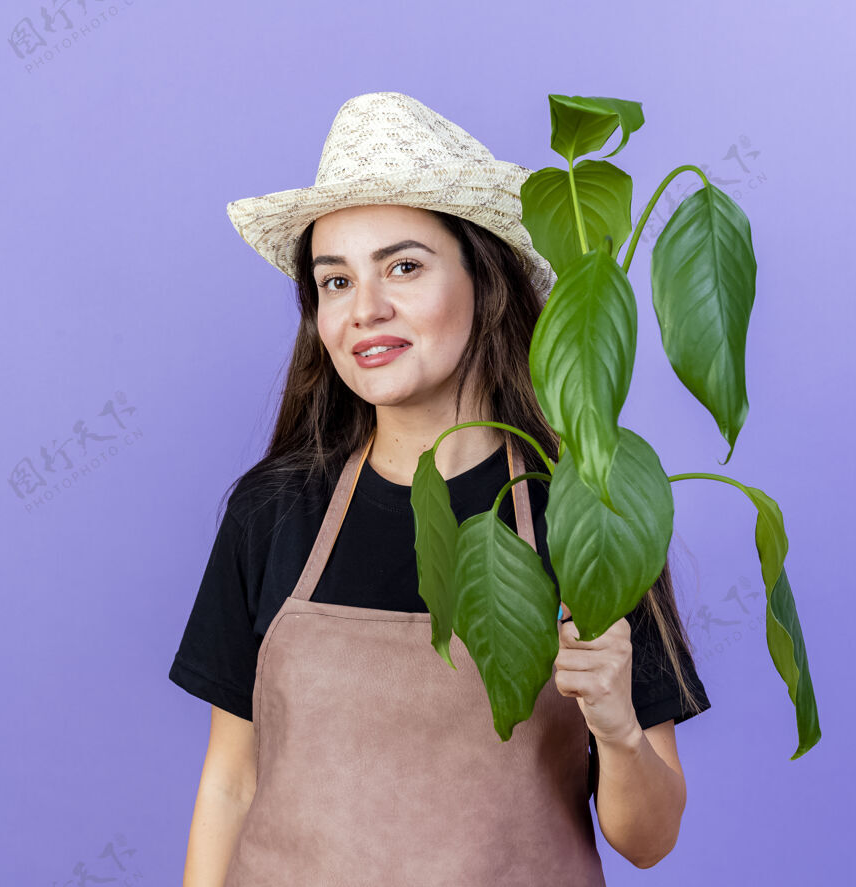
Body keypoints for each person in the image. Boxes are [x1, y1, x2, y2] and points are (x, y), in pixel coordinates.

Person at [170, 91, 711, 886]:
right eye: (335, 281)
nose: (367, 309)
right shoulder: (273, 512)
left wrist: (619, 727)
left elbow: (649, 838)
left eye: (404, 266)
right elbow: (230, 781)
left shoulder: (592, 514)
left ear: (485, 281)